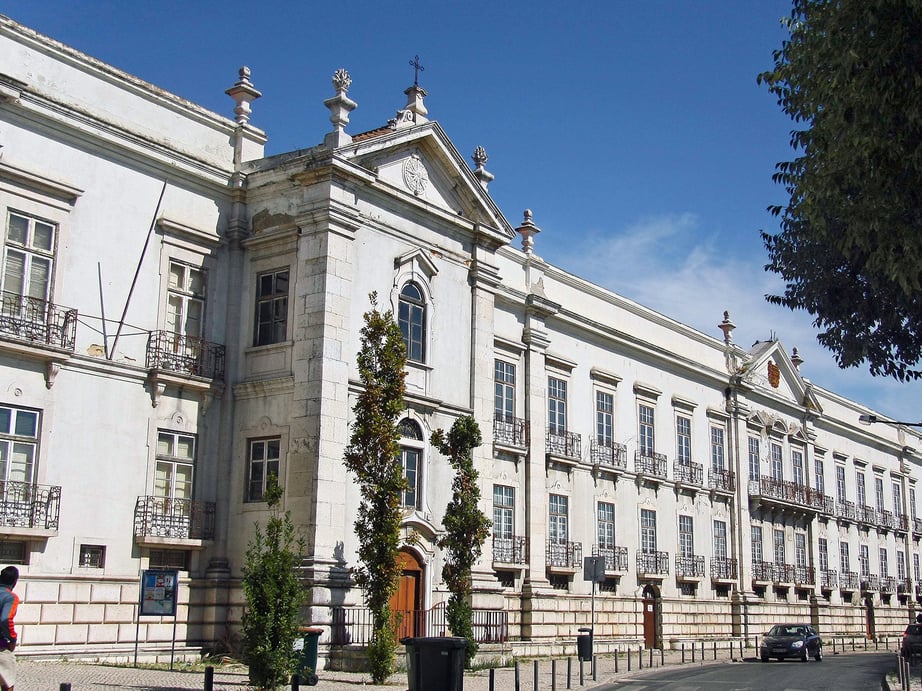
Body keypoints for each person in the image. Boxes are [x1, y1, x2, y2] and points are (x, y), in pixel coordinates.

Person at [0, 566, 19, 691]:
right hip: (1, 646)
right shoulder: (10, 597)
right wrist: (12, 639)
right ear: (14, 581)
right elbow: (5, 619)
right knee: (7, 684)